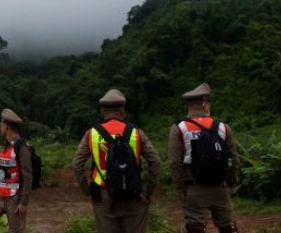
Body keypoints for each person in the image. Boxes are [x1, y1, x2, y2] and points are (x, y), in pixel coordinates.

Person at [72, 89, 161, 233]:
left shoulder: (92, 133)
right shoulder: (136, 133)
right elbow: (155, 161)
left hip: (103, 196)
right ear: (122, 111)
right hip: (133, 195)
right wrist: (148, 191)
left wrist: (87, 191)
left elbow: (77, 164)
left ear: (102, 111)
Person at [168, 83, 241, 233]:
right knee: (227, 226)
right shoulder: (223, 127)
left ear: (189, 106)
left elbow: (175, 163)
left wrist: (180, 188)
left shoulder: (179, 128)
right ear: (204, 104)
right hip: (220, 187)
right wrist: (230, 184)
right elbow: (234, 159)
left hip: (193, 188)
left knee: (195, 227)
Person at [0, 108, 33, 233]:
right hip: (6, 198)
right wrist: (2, 202)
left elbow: (27, 176)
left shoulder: (21, 147)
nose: (0, 127)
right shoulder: (5, 146)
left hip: (16, 198)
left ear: (6, 126)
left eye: (1, 124)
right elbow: (3, 176)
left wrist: (23, 203)